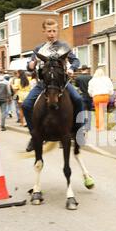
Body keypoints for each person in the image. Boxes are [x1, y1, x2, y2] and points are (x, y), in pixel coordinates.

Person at [23, 18, 83, 152]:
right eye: (49, 31)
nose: (52, 34)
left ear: (57, 31)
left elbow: (76, 60)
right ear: (44, 31)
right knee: (26, 105)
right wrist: (31, 64)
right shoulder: (39, 49)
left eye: (54, 31)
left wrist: (72, 68)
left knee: (78, 100)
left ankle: (78, 130)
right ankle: (34, 135)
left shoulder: (64, 47)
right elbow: (30, 66)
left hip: (61, 83)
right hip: (43, 84)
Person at [76, 65, 93, 131]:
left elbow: (77, 86)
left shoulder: (78, 78)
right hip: (89, 96)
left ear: (81, 70)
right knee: (89, 111)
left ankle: (82, 125)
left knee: (82, 111)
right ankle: (88, 126)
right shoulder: (90, 77)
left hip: (82, 96)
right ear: (87, 69)